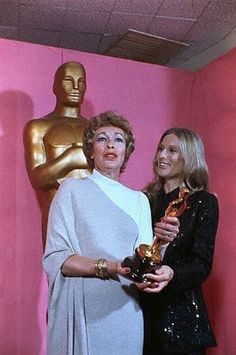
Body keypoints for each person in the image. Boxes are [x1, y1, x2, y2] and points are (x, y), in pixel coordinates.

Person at [42, 111, 177, 355]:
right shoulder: (71, 189)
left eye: (119, 139)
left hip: (125, 311)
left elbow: (143, 263)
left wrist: (163, 244)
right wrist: (111, 267)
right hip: (83, 307)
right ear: (91, 150)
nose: (111, 144)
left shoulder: (139, 200)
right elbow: (58, 259)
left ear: (126, 152)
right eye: (102, 139)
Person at [140, 127, 219, 355]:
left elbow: (201, 264)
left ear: (189, 157)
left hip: (184, 321)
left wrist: (172, 273)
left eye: (172, 150)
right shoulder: (142, 200)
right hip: (142, 318)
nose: (162, 156)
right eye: (160, 149)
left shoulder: (204, 202)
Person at [23, 61, 91, 247]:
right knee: (59, 269)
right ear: (55, 86)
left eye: (81, 82)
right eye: (69, 80)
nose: (76, 87)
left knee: (98, 268)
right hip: (58, 211)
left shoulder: (95, 129)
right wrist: (72, 157)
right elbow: (38, 179)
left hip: (94, 210)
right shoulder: (38, 127)